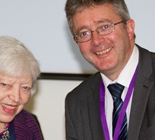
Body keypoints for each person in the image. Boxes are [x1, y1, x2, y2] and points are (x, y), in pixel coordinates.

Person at [64, 0, 155, 140]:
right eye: (84, 33)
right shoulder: (77, 102)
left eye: (105, 26)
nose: (96, 41)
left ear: (129, 28)